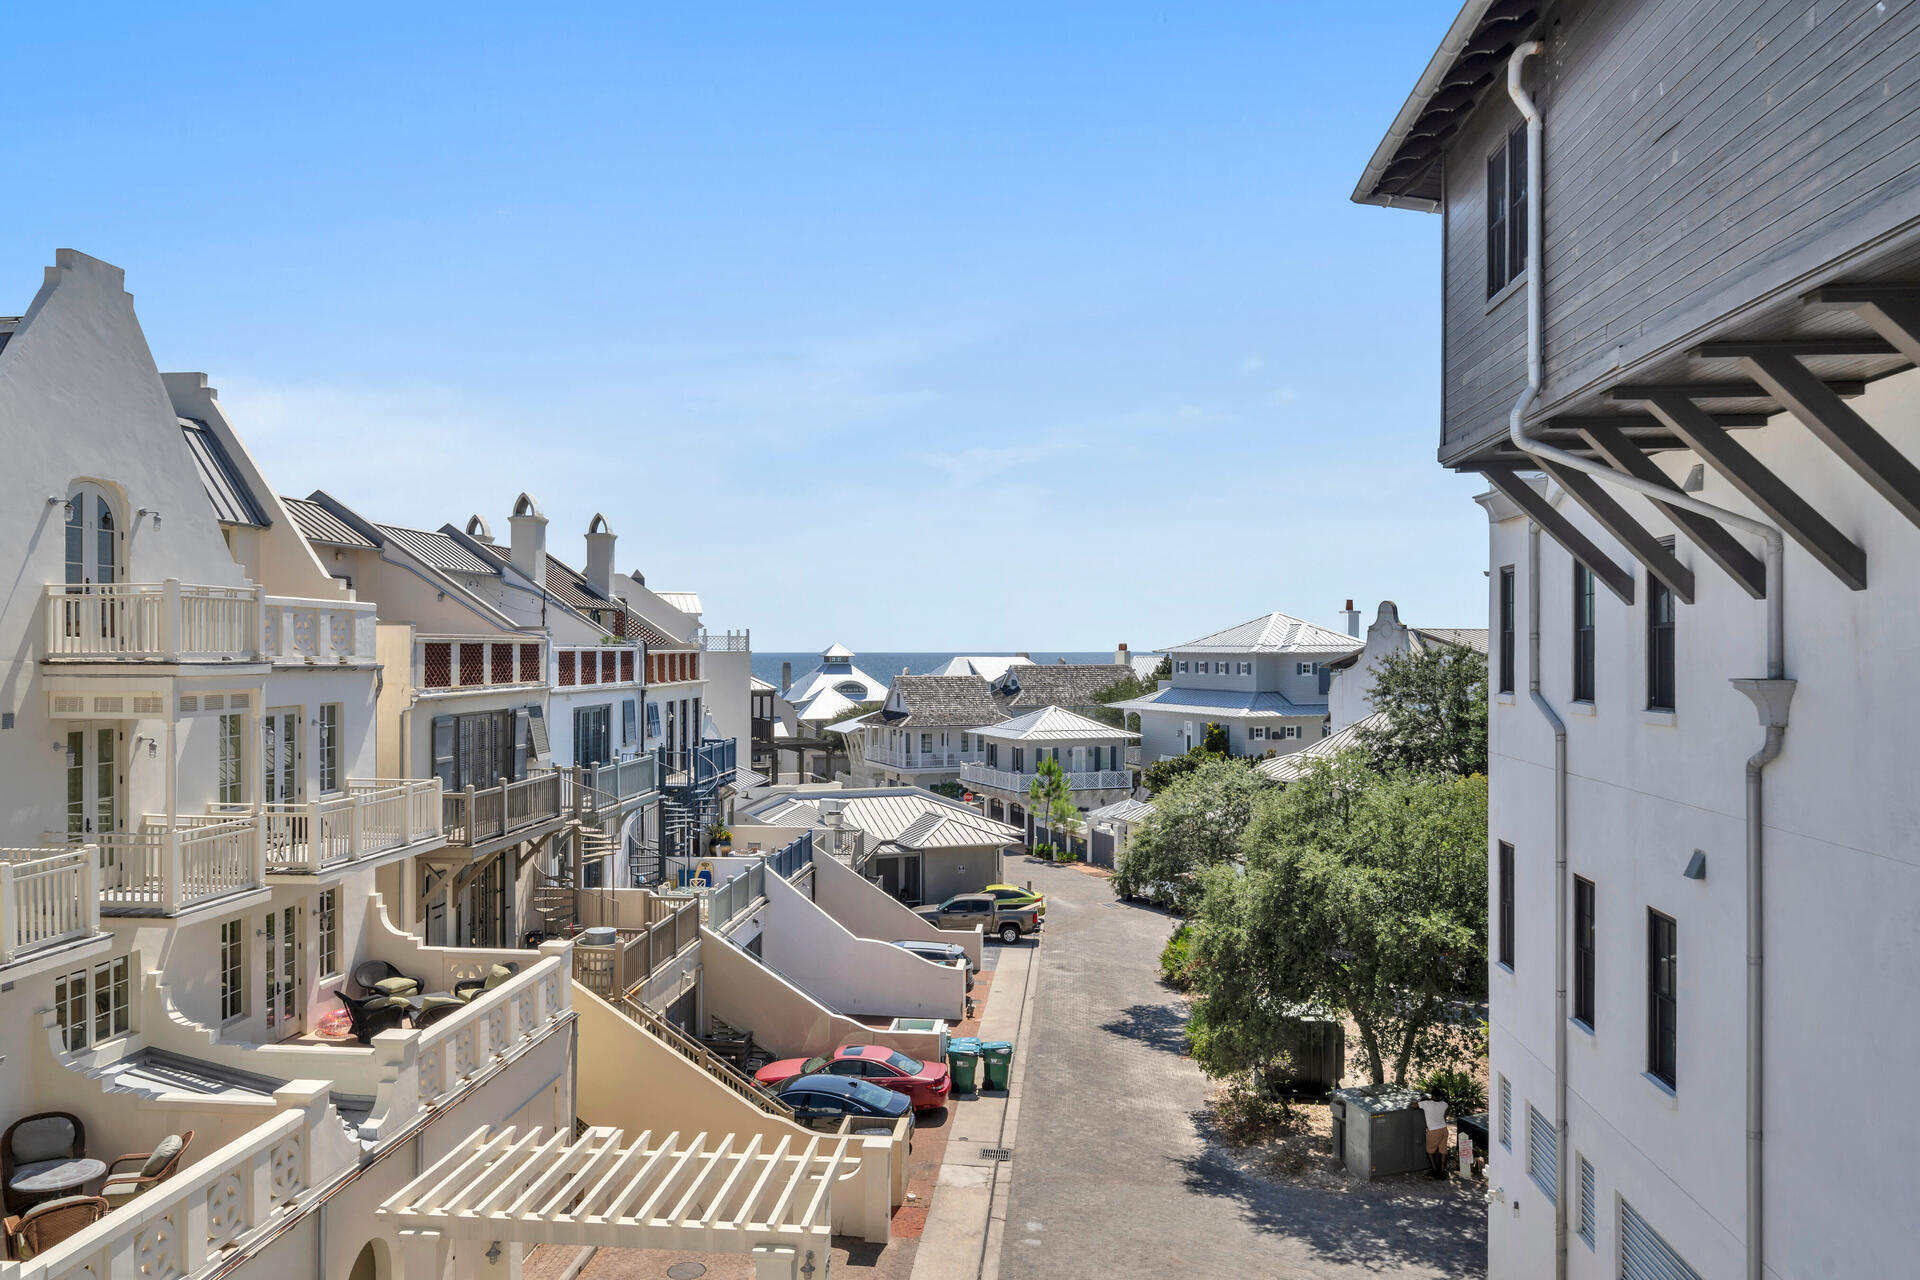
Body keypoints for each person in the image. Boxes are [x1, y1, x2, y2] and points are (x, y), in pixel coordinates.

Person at [1419, 1096, 1451, 1180]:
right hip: (1444, 1130)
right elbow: (1446, 1103)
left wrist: (1424, 1100)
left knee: (1430, 1151)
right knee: (1443, 1151)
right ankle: (1442, 1172)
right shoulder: (1444, 1104)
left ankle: (1434, 1171)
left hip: (1433, 1131)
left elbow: (1412, 1105)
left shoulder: (1426, 1104)